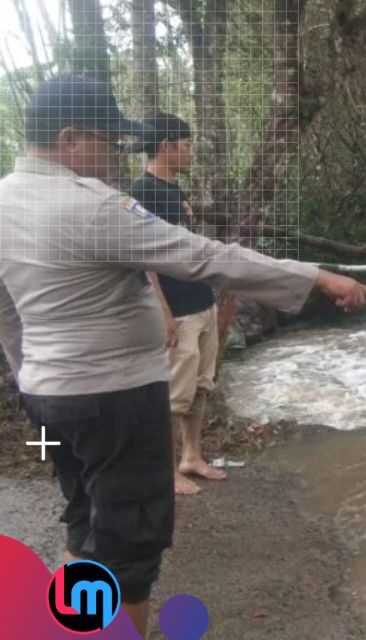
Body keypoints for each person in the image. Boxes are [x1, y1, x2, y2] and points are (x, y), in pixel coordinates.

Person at [0, 74, 366, 636]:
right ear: (71, 138)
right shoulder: (92, 208)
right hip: (116, 400)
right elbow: (204, 258)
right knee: (129, 546)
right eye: (111, 142)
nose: (116, 157)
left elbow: (7, 314)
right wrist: (317, 277)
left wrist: (27, 376)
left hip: (49, 398)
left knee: (85, 521)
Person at [128, 113, 221, 496]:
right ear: (166, 146)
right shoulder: (142, 193)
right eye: (186, 145)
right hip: (176, 309)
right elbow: (145, 261)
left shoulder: (175, 190)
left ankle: (192, 455)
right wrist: (162, 312)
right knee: (173, 394)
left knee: (201, 386)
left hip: (202, 301)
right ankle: (165, 470)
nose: (190, 152)